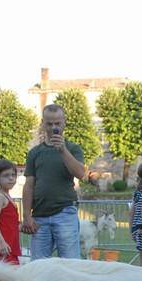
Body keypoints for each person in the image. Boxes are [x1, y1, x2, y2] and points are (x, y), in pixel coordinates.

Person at [21, 104, 86, 259]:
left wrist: (62, 150)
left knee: (70, 265)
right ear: (43, 123)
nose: (53, 127)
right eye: (49, 124)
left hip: (65, 213)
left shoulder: (73, 148)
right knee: (38, 267)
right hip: (39, 217)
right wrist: (26, 216)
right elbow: (29, 186)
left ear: (64, 122)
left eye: (57, 123)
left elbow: (81, 174)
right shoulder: (35, 152)